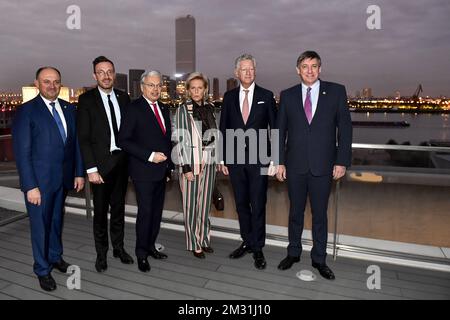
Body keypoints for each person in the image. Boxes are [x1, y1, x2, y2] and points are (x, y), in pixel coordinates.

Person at [276, 51, 352, 280]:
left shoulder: (337, 91)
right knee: (295, 213)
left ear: (320, 69)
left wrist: (341, 161)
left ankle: (319, 259)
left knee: (320, 215)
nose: (309, 70)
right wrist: (279, 162)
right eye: (305, 66)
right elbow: (279, 132)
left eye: (314, 66)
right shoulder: (287, 95)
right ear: (297, 70)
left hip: (324, 166)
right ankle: (293, 252)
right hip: (295, 166)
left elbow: (345, 129)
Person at [12, 67, 85, 291]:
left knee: (55, 221)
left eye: (56, 81)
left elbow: (76, 145)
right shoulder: (27, 111)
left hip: (62, 180)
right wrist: (30, 186)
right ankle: (42, 269)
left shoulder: (68, 107)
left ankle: (55, 257)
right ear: (37, 83)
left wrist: (79, 172)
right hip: (39, 185)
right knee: (40, 227)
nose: (52, 86)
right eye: (47, 81)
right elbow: (22, 153)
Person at [219, 54, 277, 270]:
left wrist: (276, 159)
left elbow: (276, 129)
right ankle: (247, 241)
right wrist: (222, 157)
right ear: (236, 73)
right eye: (244, 69)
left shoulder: (266, 95)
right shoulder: (229, 96)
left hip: (259, 160)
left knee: (258, 203)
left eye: (251, 69)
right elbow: (223, 128)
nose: (248, 73)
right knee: (241, 204)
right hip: (234, 161)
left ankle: (258, 247)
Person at [77, 56, 133, 273]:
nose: (106, 75)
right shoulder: (86, 100)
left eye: (110, 71)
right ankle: (102, 254)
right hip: (100, 168)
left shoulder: (124, 97)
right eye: (101, 72)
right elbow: (83, 138)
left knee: (118, 209)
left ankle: (119, 248)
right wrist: (91, 169)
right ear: (95, 76)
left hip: (121, 163)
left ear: (114, 74)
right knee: (100, 213)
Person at [118, 70, 173, 272]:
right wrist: (150, 155)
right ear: (142, 87)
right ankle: (141, 253)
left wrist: (168, 168)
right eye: (151, 85)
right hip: (143, 171)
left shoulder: (165, 109)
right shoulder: (133, 109)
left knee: (156, 213)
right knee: (146, 213)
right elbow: (123, 140)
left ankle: (151, 246)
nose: (156, 89)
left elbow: (166, 141)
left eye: (159, 85)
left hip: (161, 171)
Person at [175, 72, 218, 259]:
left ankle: (204, 239)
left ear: (205, 89)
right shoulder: (183, 110)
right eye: (193, 88)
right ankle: (194, 243)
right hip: (191, 164)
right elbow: (180, 140)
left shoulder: (210, 108)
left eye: (200, 87)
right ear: (188, 91)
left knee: (205, 205)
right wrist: (185, 168)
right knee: (191, 206)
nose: (196, 91)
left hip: (209, 162)